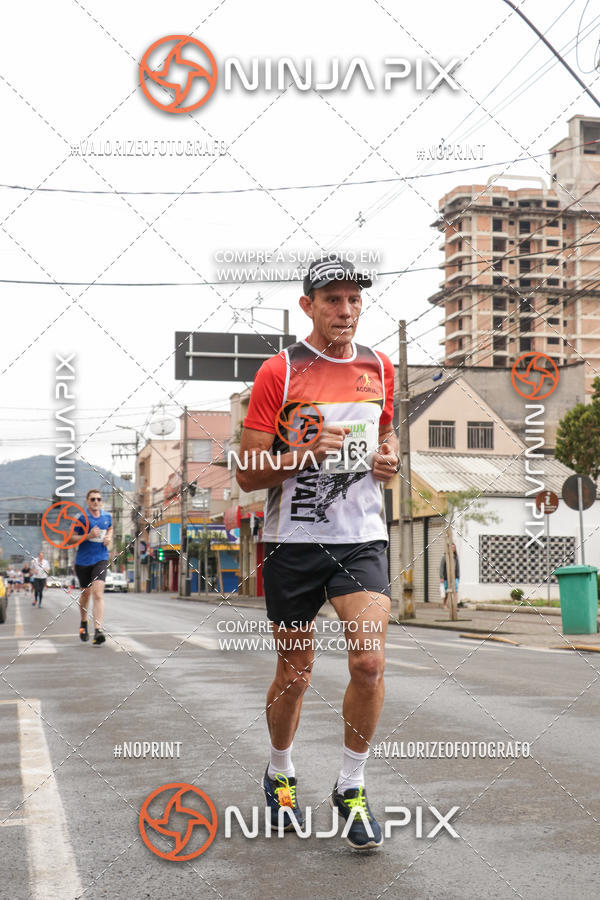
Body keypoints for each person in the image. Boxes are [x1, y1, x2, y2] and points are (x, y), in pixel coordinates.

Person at [237, 253, 398, 850]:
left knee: (368, 663)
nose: (346, 310)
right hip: (293, 541)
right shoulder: (279, 371)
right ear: (308, 306)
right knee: (295, 673)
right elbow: (247, 472)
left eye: (354, 299)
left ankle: (351, 785)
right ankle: (280, 773)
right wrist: (304, 455)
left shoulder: (379, 366)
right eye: (333, 299)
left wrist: (389, 460)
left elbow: (386, 437)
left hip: (360, 539)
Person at [73, 489, 112, 645]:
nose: (96, 502)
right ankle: (84, 622)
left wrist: (109, 536)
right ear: (87, 501)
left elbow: (110, 528)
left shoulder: (107, 516)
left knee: (97, 594)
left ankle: (98, 630)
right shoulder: (81, 518)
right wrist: (88, 536)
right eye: (93, 499)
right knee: (85, 595)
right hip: (83, 561)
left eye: (98, 499)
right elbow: (70, 539)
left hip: (101, 559)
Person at [440, 543, 463, 608]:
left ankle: (455, 605)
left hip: (455, 577)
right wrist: (441, 577)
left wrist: (458, 577)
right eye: (451, 547)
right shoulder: (445, 557)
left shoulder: (455, 557)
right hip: (446, 577)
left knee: (455, 591)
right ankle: (444, 604)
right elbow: (441, 568)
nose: (453, 549)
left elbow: (457, 567)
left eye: (454, 548)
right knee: (447, 591)